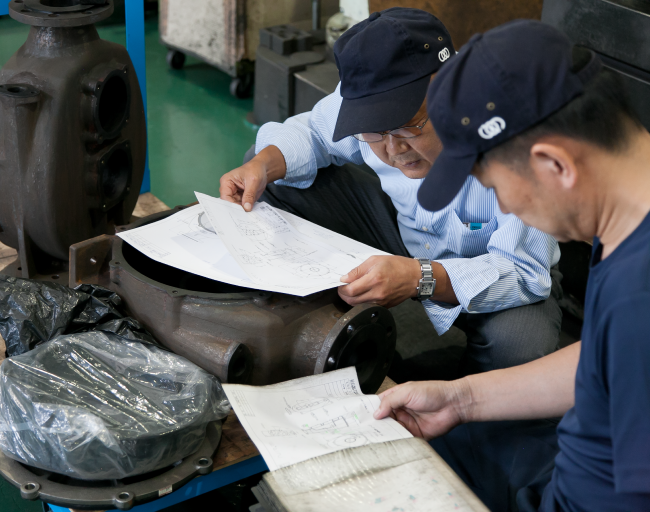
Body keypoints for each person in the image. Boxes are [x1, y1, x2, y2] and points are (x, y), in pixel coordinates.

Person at [376, 19, 650, 511]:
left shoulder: (639, 296)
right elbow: (607, 362)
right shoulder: (628, 215)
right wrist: (462, 400)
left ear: (555, 165)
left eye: (497, 187)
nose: (503, 210)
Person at [219, 8, 562, 374]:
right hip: (401, 234)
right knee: (268, 166)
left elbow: (523, 272)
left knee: (522, 346)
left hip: (495, 268)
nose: (393, 150)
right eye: (374, 133)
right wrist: (262, 165)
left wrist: (421, 278)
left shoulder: (519, 136)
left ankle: (459, 392)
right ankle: (347, 347)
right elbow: (316, 133)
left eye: (408, 127)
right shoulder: (369, 94)